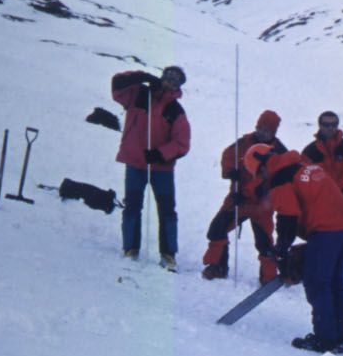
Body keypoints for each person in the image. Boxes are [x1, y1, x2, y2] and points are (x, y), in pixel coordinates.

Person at [245, 143, 343, 354]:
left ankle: (325, 340)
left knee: (317, 281)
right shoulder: (301, 164)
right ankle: (340, 338)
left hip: (327, 229)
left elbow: (288, 214)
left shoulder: (279, 176)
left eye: (259, 173)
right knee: (335, 283)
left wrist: (281, 248)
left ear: (261, 166)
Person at [110, 66, 191, 270]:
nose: (169, 82)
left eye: (175, 81)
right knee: (132, 207)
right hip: (135, 163)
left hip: (161, 169)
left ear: (178, 87)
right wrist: (142, 76)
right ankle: (130, 248)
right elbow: (117, 84)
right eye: (168, 77)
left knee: (167, 211)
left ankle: (168, 254)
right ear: (161, 77)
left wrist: (159, 154)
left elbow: (182, 144)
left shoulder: (176, 111)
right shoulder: (138, 94)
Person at [201, 109, 287, 282]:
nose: (261, 133)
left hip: (261, 205)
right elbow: (227, 155)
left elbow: (278, 178)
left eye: (266, 130)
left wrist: (255, 193)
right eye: (259, 128)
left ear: (274, 132)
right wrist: (231, 172)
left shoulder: (279, 151)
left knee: (264, 242)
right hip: (237, 200)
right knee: (217, 230)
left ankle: (269, 276)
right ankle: (217, 267)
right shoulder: (245, 142)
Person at [301, 111, 343, 303]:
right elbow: (307, 178)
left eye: (333, 124)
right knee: (324, 246)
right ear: (319, 125)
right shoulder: (309, 152)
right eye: (326, 124)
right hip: (322, 209)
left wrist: (328, 194)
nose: (330, 128)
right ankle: (327, 283)